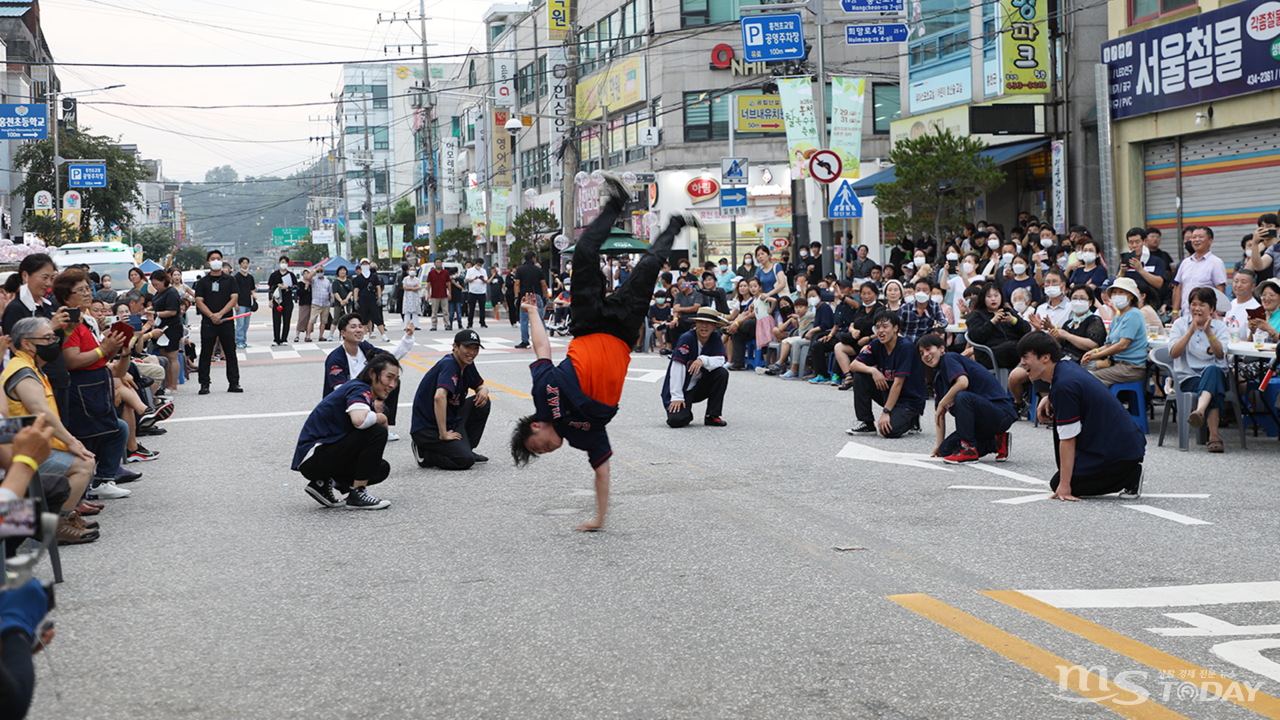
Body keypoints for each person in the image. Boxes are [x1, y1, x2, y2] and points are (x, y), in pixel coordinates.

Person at [511, 174, 688, 532]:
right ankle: (675, 224)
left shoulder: (542, 393)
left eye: (539, 447)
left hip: (588, 324)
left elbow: (542, 348)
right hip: (622, 333)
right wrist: (599, 519)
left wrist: (533, 314)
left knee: (586, 252)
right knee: (649, 268)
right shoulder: (583, 435)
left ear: (536, 426)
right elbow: (603, 473)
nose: (546, 450)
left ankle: (616, 203)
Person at [1018, 332, 1146, 500]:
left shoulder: (1064, 386)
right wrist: (1050, 397)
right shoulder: (1066, 367)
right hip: (1122, 444)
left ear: (1046, 357)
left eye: (1026, 357)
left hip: (1120, 453)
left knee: (1062, 483)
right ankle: (1119, 471)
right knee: (1065, 476)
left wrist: (1064, 485)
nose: (1022, 362)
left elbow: (1068, 439)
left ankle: (1130, 476)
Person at [2, 318, 101, 527]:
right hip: (20, 452)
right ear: (27, 344)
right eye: (47, 338)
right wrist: (72, 442)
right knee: (85, 464)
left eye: (54, 337)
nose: (53, 343)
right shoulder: (23, 372)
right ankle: (59, 523)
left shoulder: (29, 367)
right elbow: (42, 412)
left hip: (27, 446)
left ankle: (59, 518)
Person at [53, 271, 140, 494]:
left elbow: (101, 357)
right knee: (92, 435)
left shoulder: (84, 321)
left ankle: (100, 480)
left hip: (95, 385)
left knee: (115, 429)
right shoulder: (69, 325)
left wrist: (120, 350)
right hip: (82, 390)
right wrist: (105, 348)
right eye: (80, 290)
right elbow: (71, 360)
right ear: (65, 298)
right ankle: (89, 485)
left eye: (88, 288)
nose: (87, 294)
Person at [293, 352, 400, 510]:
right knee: (376, 430)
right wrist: (382, 418)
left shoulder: (362, 390)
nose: (392, 384)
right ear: (372, 374)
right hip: (314, 457)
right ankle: (358, 493)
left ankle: (324, 483)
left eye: (395, 379)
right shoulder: (359, 388)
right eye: (389, 377)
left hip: (319, 458)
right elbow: (359, 420)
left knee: (380, 468)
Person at [917, 334, 1014, 463]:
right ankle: (997, 442)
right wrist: (938, 446)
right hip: (980, 424)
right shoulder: (939, 379)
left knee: (962, 396)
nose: (925, 355)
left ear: (942, 348)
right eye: (921, 353)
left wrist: (942, 403)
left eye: (928, 349)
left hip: (1000, 414)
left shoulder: (949, 358)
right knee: (946, 450)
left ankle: (968, 449)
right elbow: (940, 415)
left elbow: (963, 383)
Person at [323, 312, 414, 442]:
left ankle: (382, 425)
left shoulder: (365, 348)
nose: (359, 330)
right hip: (343, 405)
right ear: (343, 333)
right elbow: (340, 391)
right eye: (353, 327)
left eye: (360, 326)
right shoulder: (335, 359)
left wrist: (408, 337)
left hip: (363, 398)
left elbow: (388, 360)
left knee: (392, 380)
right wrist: (370, 403)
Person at [410, 329, 491, 470]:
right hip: (428, 428)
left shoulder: (467, 364)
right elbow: (439, 397)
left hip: (451, 418)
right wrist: (443, 433)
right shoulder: (450, 364)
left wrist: (483, 390)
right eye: (467, 347)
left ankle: (466, 448)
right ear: (455, 347)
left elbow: (479, 385)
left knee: (483, 403)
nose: (471, 352)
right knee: (464, 460)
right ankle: (425, 454)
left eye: (475, 348)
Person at [2, 255, 70, 417]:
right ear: (25, 276)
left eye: (51, 278)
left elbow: (58, 345)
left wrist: (69, 329)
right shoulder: (16, 309)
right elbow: (15, 347)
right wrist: (50, 326)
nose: (48, 283)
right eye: (44, 277)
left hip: (59, 378)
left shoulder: (51, 305)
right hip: (33, 382)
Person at [1168, 286, 1231, 453]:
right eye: (1193, 304)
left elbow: (1219, 354)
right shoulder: (1180, 324)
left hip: (1213, 374)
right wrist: (1190, 331)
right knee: (1214, 383)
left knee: (1213, 371)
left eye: (1202, 304)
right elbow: (1174, 352)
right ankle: (1214, 437)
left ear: (1211, 308)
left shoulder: (1220, 327)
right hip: (1189, 378)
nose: (1197, 308)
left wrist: (1209, 332)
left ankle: (1200, 411)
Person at [847, 310, 926, 437]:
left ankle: (912, 419)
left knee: (889, 431)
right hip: (888, 391)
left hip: (908, 399)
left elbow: (898, 384)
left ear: (895, 328)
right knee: (860, 376)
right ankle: (867, 423)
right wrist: (873, 370)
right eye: (877, 327)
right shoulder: (876, 344)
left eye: (885, 326)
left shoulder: (905, 347)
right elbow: (853, 365)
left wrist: (885, 412)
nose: (880, 331)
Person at [661, 307, 730, 428]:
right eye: (701, 322)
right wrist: (677, 396)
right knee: (676, 421)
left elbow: (721, 360)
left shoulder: (715, 337)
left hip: (700, 385)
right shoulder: (687, 338)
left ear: (715, 325)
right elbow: (677, 366)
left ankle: (712, 416)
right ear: (696, 323)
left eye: (708, 323)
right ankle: (686, 411)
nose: (704, 326)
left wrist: (702, 360)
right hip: (682, 389)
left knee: (722, 373)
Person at [1081, 277, 1148, 386]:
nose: (1117, 296)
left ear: (1131, 296)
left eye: (1121, 292)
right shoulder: (1117, 317)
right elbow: (1109, 344)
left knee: (1087, 378)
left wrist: (1097, 356)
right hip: (1116, 365)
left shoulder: (1133, 314)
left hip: (1131, 368)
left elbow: (1122, 345)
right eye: (1115, 292)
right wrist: (1095, 351)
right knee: (1080, 373)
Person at [193, 250, 242, 395]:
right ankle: (204, 384)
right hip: (208, 322)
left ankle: (234, 383)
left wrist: (220, 314)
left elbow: (234, 298)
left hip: (226, 320)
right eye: (213, 259)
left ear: (222, 261)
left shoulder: (230, 280)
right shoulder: (203, 282)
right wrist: (212, 315)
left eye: (218, 258)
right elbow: (199, 301)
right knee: (206, 353)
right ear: (208, 263)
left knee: (230, 352)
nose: (216, 261)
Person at [966, 282, 1031, 369]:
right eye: (989, 296)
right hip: (989, 354)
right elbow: (975, 336)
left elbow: (1027, 330)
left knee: (1033, 343)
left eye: (996, 295)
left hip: (1012, 350)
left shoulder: (1007, 311)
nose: (993, 299)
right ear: (983, 298)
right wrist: (993, 321)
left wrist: (1014, 320)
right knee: (1010, 347)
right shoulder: (977, 315)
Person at [1173, 225, 1228, 319]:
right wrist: (1175, 312)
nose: (1196, 240)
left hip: (1206, 318)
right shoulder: (1185, 263)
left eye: (1201, 237)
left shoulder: (1216, 262)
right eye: (1194, 237)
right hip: (1186, 316)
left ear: (1210, 241)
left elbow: (1221, 290)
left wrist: (1218, 315)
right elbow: (1179, 288)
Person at [513, 250, 548, 349]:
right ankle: (543, 339)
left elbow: (517, 284)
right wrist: (545, 296)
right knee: (540, 318)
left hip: (525, 297)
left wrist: (516, 297)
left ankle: (525, 341)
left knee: (524, 319)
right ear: (533, 258)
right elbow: (544, 284)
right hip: (536, 296)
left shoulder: (520, 270)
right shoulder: (538, 270)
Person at [900, 278, 948, 345]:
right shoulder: (905, 308)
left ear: (930, 293)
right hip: (907, 344)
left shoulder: (934, 306)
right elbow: (896, 328)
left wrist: (939, 326)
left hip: (925, 345)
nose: (921, 292)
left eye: (925, 290)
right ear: (914, 292)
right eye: (918, 290)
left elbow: (943, 321)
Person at [267, 257, 296, 346]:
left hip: (287, 300)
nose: (284, 264)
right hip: (277, 300)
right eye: (282, 262)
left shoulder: (291, 275)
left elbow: (296, 286)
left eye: (285, 262)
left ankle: (284, 339)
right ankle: (276, 339)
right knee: (276, 320)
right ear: (279, 263)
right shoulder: (274, 275)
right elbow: (270, 288)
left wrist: (288, 287)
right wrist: (270, 300)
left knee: (286, 320)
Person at [233, 257, 256, 349]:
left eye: (247, 263)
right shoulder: (236, 277)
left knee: (246, 324)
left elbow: (252, 289)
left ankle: (243, 340)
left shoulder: (250, 277)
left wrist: (254, 295)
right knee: (240, 323)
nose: (245, 265)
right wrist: (235, 304)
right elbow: (234, 292)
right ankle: (238, 341)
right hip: (240, 303)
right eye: (243, 263)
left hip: (248, 303)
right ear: (240, 264)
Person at [425, 257, 451, 331]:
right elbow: (429, 284)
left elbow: (448, 283)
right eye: (437, 262)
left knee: (445, 311)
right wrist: (429, 294)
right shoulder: (431, 273)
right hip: (434, 295)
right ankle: (434, 325)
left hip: (444, 295)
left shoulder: (445, 272)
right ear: (434, 264)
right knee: (434, 311)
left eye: (440, 262)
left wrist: (449, 293)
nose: (438, 264)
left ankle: (447, 325)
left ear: (442, 263)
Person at [308, 265, 332, 342]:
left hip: (325, 303)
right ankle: (308, 336)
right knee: (312, 320)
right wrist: (315, 270)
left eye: (321, 271)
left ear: (324, 272)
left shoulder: (327, 281)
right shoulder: (314, 279)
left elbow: (329, 293)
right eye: (318, 271)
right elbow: (308, 277)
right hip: (316, 303)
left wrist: (329, 301)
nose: (319, 272)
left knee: (324, 321)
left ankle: (321, 336)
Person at [466, 258, 489, 329]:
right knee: (471, 308)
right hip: (473, 291)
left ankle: (482, 322)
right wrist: (474, 279)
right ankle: (470, 323)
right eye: (478, 264)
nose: (479, 266)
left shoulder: (483, 271)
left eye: (481, 265)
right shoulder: (470, 270)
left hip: (482, 292)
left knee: (482, 308)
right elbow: (467, 279)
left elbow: (486, 281)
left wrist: (482, 279)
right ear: (475, 263)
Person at [292, 268, 313, 343]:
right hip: (303, 303)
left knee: (310, 320)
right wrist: (305, 287)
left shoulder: (312, 283)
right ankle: (297, 335)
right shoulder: (300, 284)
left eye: (308, 273)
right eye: (305, 273)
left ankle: (308, 335)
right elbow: (299, 293)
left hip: (311, 303)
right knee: (301, 319)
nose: (306, 275)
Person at [401, 264, 422, 331]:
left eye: (413, 269)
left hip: (415, 297)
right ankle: (406, 326)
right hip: (407, 297)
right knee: (407, 312)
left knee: (415, 311)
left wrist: (409, 288)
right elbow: (404, 287)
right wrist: (413, 288)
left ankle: (415, 325)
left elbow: (418, 287)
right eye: (411, 269)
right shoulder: (406, 279)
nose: (412, 271)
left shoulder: (417, 279)